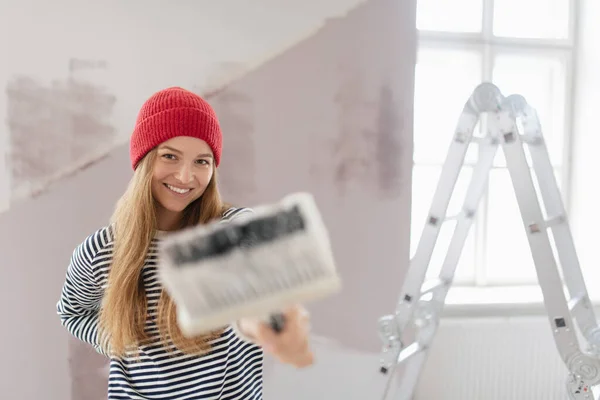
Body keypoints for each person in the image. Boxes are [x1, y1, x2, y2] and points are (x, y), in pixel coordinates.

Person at [56, 86, 314, 400]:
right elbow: (72, 312)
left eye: (201, 162)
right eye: (170, 156)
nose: (185, 176)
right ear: (144, 160)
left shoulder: (228, 230)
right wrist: (114, 338)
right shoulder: (102, 250)